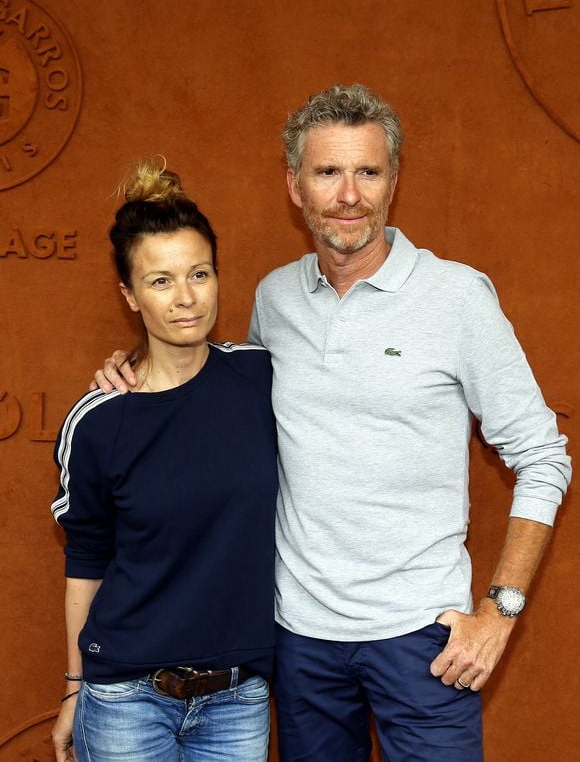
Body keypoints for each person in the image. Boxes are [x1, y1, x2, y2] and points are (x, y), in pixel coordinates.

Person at [94, 86, 572, 762]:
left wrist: (500, 612)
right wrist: (132, 372)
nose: (350, 195)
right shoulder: (275, 298)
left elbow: (543, 454)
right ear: (295, 185)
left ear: (394, 181)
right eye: (328, 172)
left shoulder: (458, 297)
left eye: (368, 172)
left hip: (424, 639)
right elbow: (220, 397)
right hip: (298, 641)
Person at [51, 160, 278, 762]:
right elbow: (85, 557)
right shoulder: (98, 421)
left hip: (238, 698)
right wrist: (74, 688)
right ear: (129, 294)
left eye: (199, 274)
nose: (185, 298)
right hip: (126, 698)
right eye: (160, 281)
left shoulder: (261, 377)